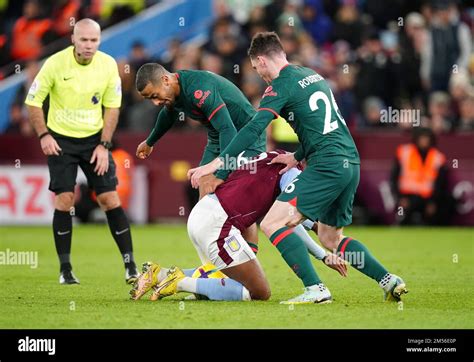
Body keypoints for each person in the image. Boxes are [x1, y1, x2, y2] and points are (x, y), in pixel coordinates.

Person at [188, 32, 408, 304]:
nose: (261, 76)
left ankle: (315, 288)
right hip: (349, 162)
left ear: (261, 60)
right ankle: (389, 281)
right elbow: (322, 126)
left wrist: (218, 161)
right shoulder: (312, 75)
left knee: (272, 222)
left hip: (326, 164)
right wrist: (296, 156)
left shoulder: (280, 86)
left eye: (258, 70)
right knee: (331, 237)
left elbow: (255, 127)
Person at [130, 151, 347, 302]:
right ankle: (179, 282)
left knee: (228, 276)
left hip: (204, 215)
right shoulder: (291, 173)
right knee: (258, 292)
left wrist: (319, 240)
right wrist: (322, 254)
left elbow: (289, 219)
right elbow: (288, 222)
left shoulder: (273, 160)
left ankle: (159, 274)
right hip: (217, 225)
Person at [25, 18, 139, 285]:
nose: (89, 45)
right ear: (73, 39)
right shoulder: (54, 63)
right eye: (84, 40)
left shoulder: (108, 64)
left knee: (110, 199)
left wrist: (104, 145)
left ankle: (130, 265)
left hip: (94, 141)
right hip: (60, 140)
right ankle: (65, 270)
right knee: (65, 199)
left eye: (94, 40)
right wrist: (44, 135)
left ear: (99, 41)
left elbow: (112, 107)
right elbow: (33, 101)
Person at [134, 62, 267, 249]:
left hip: (247, 134)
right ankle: (213, 261)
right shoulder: (173, 92)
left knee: (235, 198)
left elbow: (227, 128)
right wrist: (150, 142)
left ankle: (248, 258)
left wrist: (221, 174)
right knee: (205, 193)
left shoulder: (199, 88)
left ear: (165, 80)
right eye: (150, 99)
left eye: (155, 96)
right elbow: (168, 115)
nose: (155, 102)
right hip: (217, 135)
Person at [391, 127, 450, 225]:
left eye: (427, 138)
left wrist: (433, 202)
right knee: (404, 212)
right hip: (407, 196)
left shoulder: (438, 157)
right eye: (422, 138)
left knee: (447, 202)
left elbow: (441, 183)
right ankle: (401, 223)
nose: (424, 141)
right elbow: (394, 178)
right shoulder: (404, 152)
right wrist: (400, 197)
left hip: (428, 197)